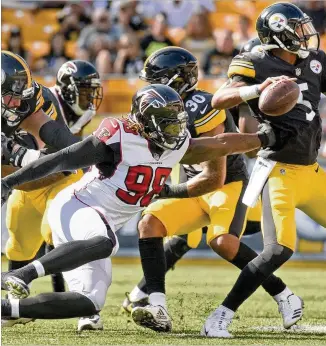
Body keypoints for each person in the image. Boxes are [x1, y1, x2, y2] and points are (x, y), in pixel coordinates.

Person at [1, 84, 275, 328]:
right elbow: (60, 159)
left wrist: (264, 138)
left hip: (96, 228)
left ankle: (8, 309)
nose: (176, 130)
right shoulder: (118, 137)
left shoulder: (176, 144)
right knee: (106, 241)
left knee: (90, 301)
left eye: (178, 123)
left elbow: (220, 144)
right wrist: (8, 183)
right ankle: (20, 274)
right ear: (146, 122)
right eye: (168, 124)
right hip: (76, 207)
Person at [118, 47, 302, 332]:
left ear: (177, 81)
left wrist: (166, 191)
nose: (150, 88)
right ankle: (157, 306)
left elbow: (214, 177)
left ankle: (283, 294)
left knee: (222, 241)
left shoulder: (202, 106)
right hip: (194, 186)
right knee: (150, 224)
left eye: (157, 80)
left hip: (226, 185)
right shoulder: (157, 107)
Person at [200, 2, 326, 338]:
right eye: (298, 29)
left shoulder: (314, 62)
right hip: (277, 169)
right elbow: (219, 99)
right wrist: (259, 90)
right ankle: (221, 315)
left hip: (312, 171)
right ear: (278, 33)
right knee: (278, 250)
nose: (306, 35)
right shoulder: (256, 60)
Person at [1, 55, 103, 330]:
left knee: (58, 234)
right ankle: (14, 305)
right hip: (23, 183)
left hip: (55, 178)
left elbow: (60, 145)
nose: (18, 103)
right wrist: (16, 157)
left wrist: (88, 157)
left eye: (21, 96)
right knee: (19, 242)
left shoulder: (33, 102)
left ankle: (86, 305)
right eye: (11, 97)